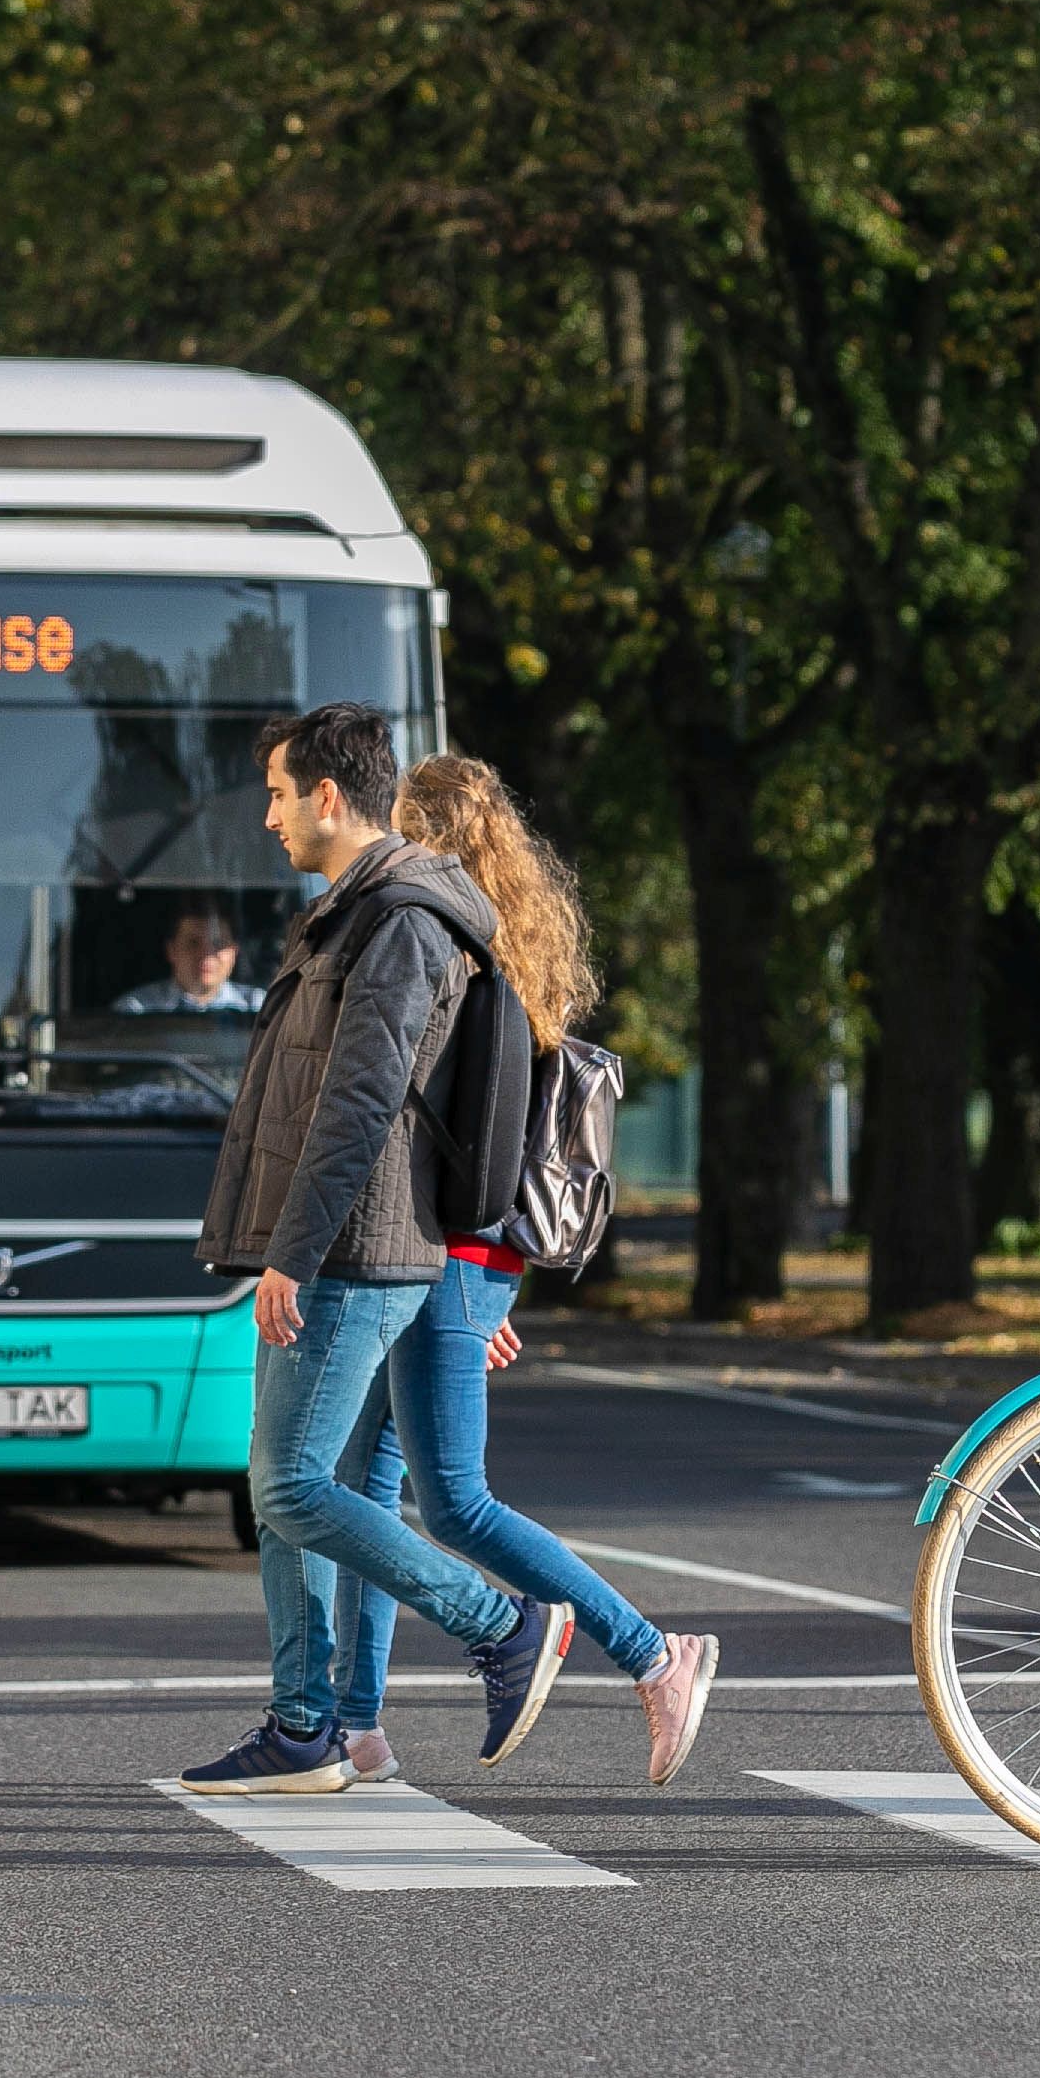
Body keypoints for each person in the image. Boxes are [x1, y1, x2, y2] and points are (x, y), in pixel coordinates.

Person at [178, 703, 580, 1796]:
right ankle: (304, 1726)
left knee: (299, 1484)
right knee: (281, 1485)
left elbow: (357, 1104)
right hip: (327, 1242)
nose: (265, 816)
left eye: (274, 792)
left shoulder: (402, 919)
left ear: (324, 795)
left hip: (359, 1250)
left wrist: (293, 1256)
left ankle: (500, 1625)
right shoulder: (352, 913)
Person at [323, 755, 721, 1789]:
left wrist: (462, 1289)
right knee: (364, 1484)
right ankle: (354, 1723)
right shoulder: (512, 942)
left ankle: (651, 1653)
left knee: (453, 1500)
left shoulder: (452, 944)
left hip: (444, 1248)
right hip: (463, 1252)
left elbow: (443, 1129)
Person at [111, 902, 266, 1015]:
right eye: (193, 943)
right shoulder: (136, 1010)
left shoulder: (259, 1007)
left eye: (218, 943)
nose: (206, 955)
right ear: (172, 951)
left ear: (233, 952)